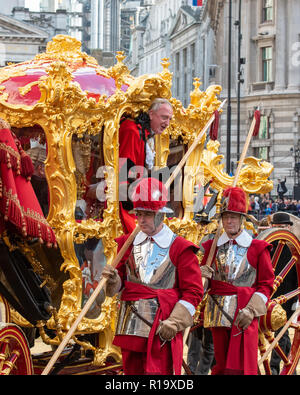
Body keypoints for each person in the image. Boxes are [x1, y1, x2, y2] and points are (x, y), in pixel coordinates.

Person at [101, 177, 203, 375]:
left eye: (147, 214)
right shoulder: (126, 244)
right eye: (138, 214)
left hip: (162, 327)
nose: (140, 220)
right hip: (131, 325)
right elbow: (119, 285)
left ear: (160, 215)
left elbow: (194, 292)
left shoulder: (180, 248)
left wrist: (175, 321)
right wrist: (114, 280)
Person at [200, 186, 274, 375]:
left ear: (242, 219)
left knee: (241, 367)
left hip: (244, 313)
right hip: (217, 312)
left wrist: (251, 309)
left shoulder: (258, 248)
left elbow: (266, 284)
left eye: (233, 216)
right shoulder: (211, 247)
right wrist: (203, 277)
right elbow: (202, 286)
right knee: (220, 365)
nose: (229, 221)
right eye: (225, 217)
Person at [118, 98, 173, 233]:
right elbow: (125, 168)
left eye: (170, 119)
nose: (167, 123)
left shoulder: (147, 134)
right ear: (151, 114)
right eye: (164, 117)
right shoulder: (132, 130)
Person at [269, 212, 298, 375]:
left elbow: (296, 274)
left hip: (289, 296)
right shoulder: (270, 246)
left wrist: (297, 299)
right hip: (272, 296)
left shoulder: (294, 247)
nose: (282, 229)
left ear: (288, 227)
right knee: (282, 334)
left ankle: (278, 367)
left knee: (282, 333)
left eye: (284, 226)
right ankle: (287, 367)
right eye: (278, 227)